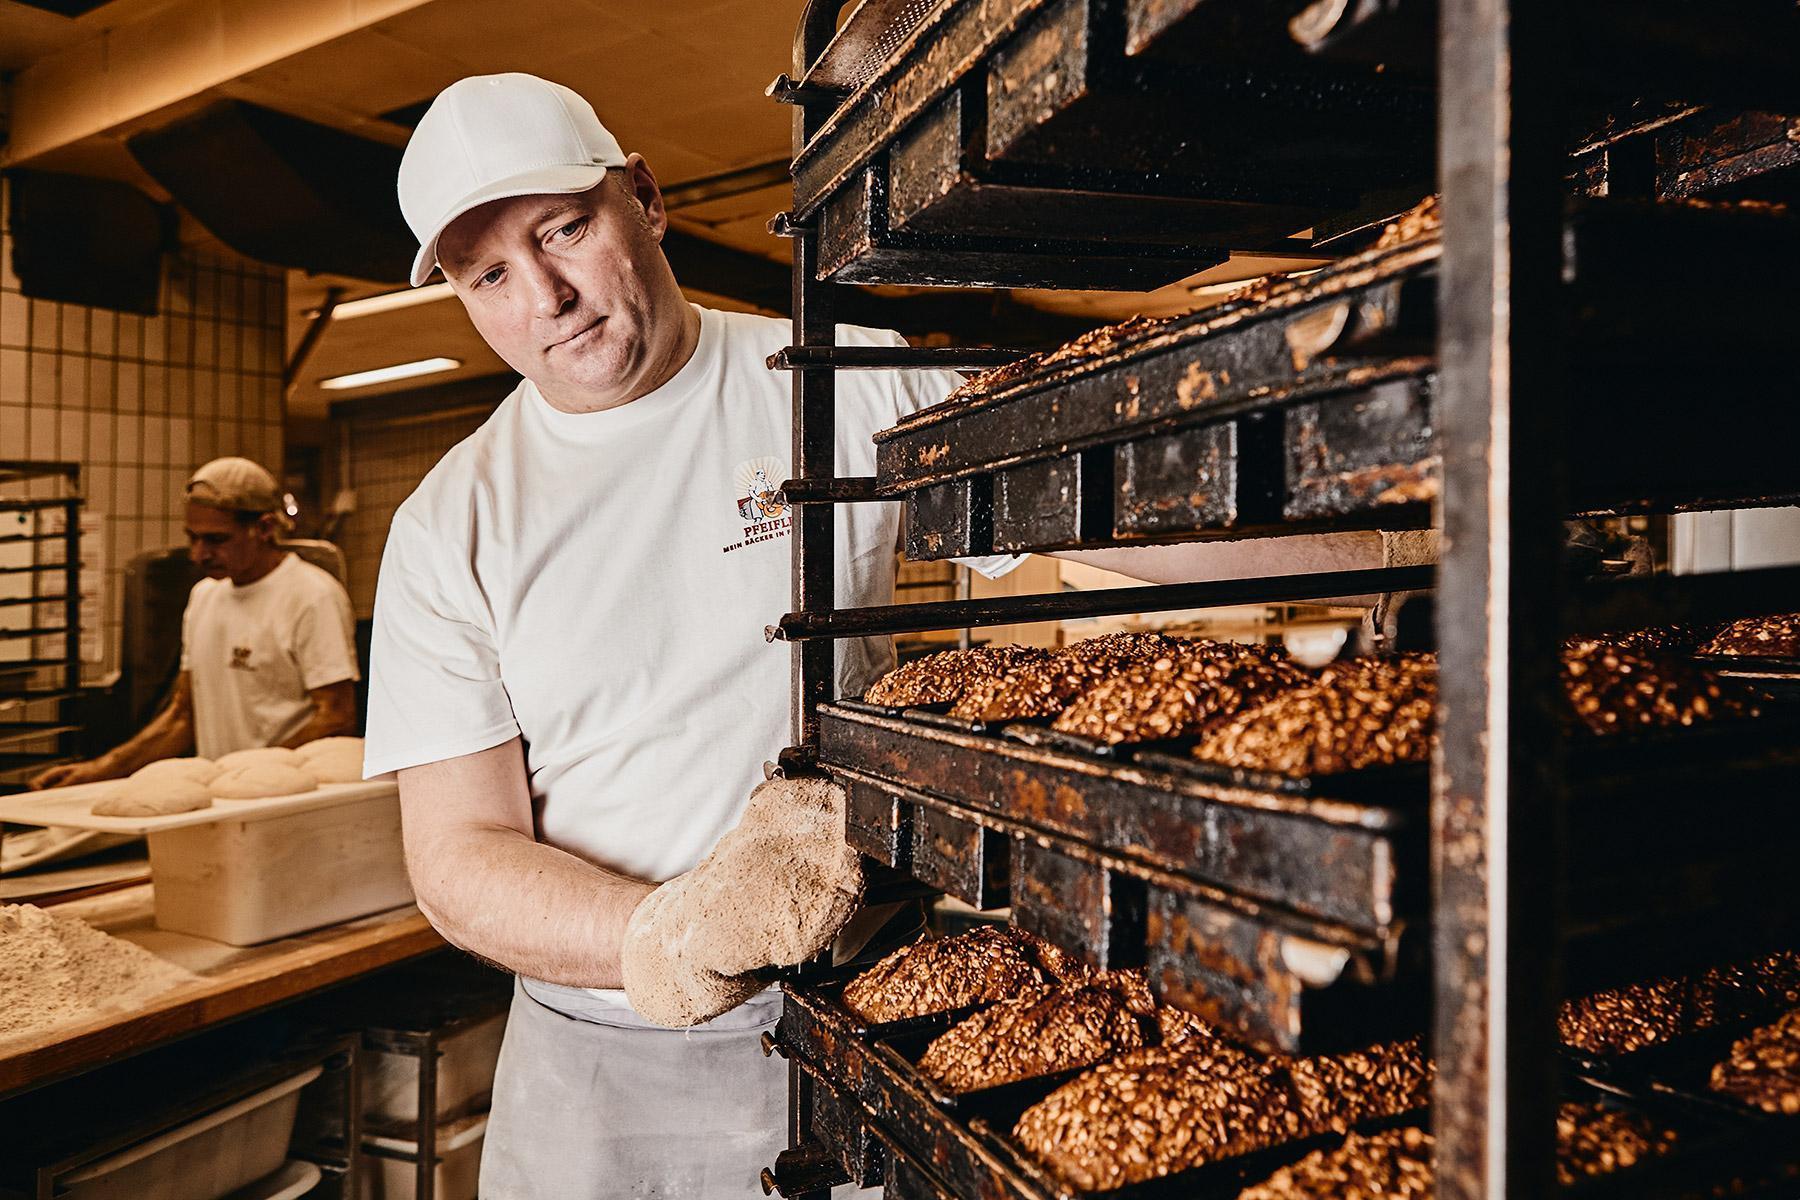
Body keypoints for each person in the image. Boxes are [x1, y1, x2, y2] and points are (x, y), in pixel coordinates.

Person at [367, 73, 1398, 1199]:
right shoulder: (453, 523)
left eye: (564, 229)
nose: (548, 296)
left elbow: (1103, 499)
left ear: (645, 200)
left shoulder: (831, 383)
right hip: (602, 1070)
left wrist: (1397, 547)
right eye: (491, 275)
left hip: (865, 1021)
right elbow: (458, 858)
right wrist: (665, 934)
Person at [30, 457, 359, 787]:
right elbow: (182, 716)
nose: (198, 554)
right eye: (193, 538)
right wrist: (98, 769)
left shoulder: (311, 596)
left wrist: (254, 775)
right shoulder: (205, 597)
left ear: (264, 528)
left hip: (287, 798)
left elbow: (335, 716)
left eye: (216, 540)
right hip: (222, 797)